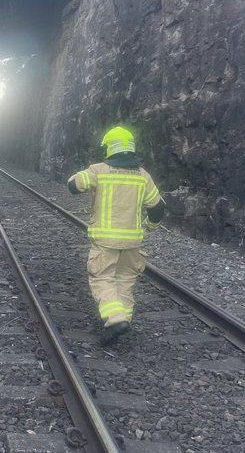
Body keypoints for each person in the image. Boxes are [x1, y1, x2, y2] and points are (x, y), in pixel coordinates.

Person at [67, 126, 165, 346]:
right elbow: (158, 208)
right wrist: (150, 226)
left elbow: (73, 186)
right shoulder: (143, 176)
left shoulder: (98, 170)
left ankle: (116, 319)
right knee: (125, 282)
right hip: (132, 242)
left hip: (105, 243)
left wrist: (79, 176)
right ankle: (120, 324)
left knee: (102, 279)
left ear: (110, 147)